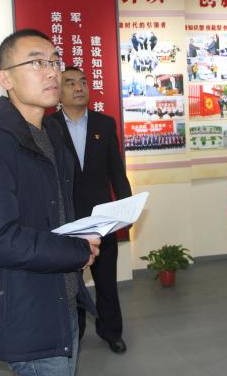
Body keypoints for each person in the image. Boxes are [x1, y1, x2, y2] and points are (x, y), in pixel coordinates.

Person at [0, 29, 101, 376]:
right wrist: (76, 250)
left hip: (61, 297)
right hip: (28, 309)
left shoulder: (50, 135)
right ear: (5, 79)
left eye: (54, 62)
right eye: (36, 63)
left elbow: (52, 214)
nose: (52, 72)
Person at [52, 66, 132, 354]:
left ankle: (111, 331)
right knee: (70, 284)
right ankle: (74, 332)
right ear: (58, 92)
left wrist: (127, 209)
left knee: (106, 281)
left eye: (83, 82)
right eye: (70, 83)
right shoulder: (49, 127)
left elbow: (117, 171)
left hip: (102, 220)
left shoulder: (104, 124)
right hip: (67, 220)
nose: (78, 88)